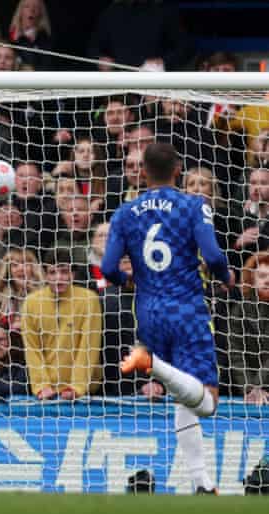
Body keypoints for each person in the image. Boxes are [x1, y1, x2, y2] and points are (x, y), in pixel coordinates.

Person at [102, 142, 235, 494]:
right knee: (206, 403)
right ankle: (154, 367)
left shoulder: (125, 212)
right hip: (187, 310)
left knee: (183, 397)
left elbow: (106, 268)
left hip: (148, 311)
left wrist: (125, 281)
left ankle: (201, 482)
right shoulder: (193, 205)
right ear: (178, 170)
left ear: (142, 171)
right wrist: (226, 277)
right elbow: (213, 253)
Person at [21, 246, 103, 400]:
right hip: (46, 390)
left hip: (84, 389)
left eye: (64, 272)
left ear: (73, 274)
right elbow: (32, 349)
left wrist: (77, 387)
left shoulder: (88, 300)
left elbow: (88, 346)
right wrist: (41, 386)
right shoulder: (31, 303)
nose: (59, 277)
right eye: (52, 272)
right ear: (45, 275)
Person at [229, 252, 269, 405]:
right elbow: (236, 353)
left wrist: (258, 385)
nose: (268, 281)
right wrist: (249, 388)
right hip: (247, 393)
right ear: (252, 278)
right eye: (262, 276)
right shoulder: (239, 310)